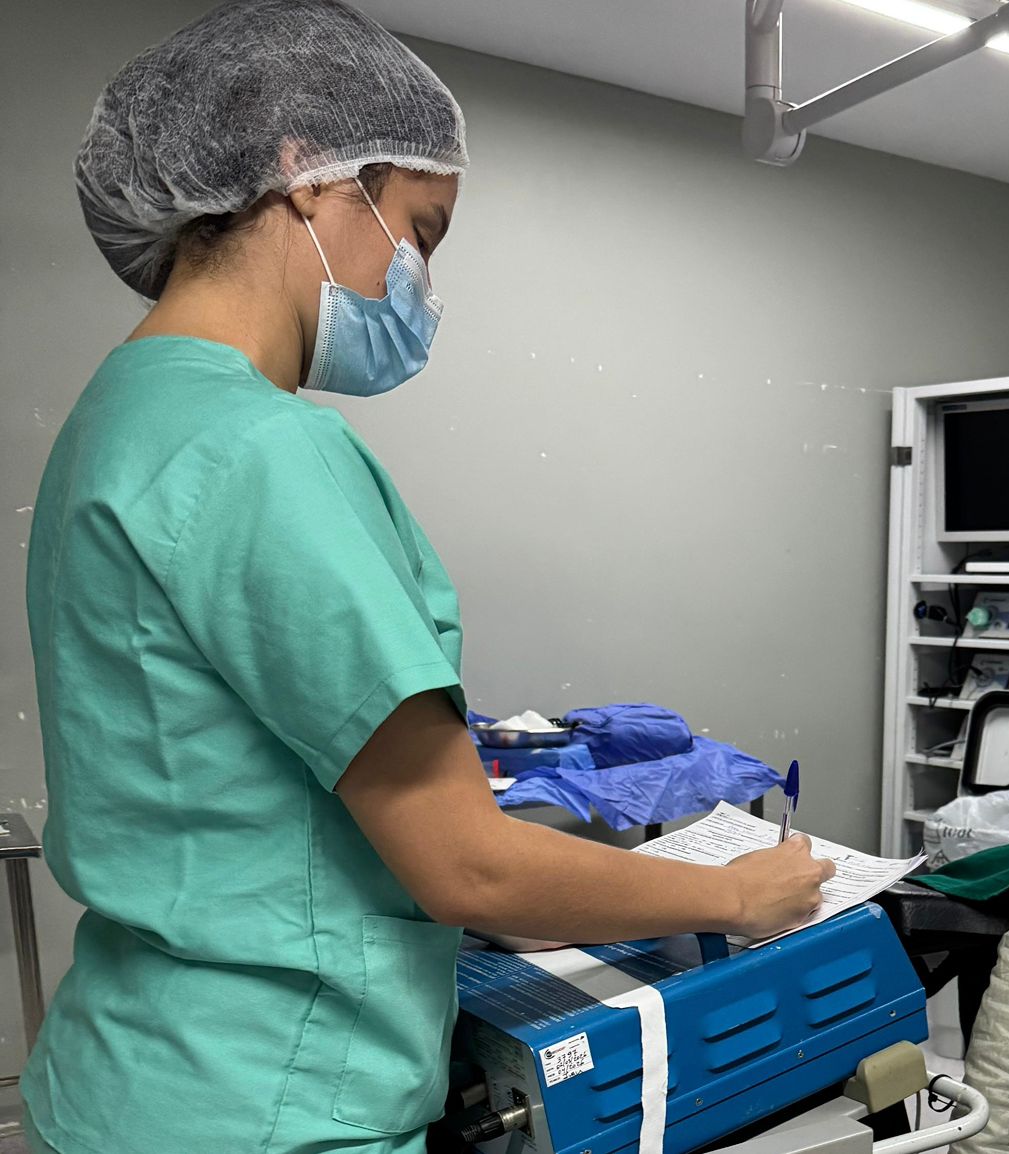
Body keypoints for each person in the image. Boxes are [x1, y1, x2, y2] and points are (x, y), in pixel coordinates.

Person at [23, 4, 832, 1152]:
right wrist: (737, 893)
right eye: (420, 230)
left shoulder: (117, 418)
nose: (420, 283)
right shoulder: (263, 448)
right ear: (309, 175)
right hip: (270, 1100)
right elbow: (467, 865)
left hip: (121, 1078)